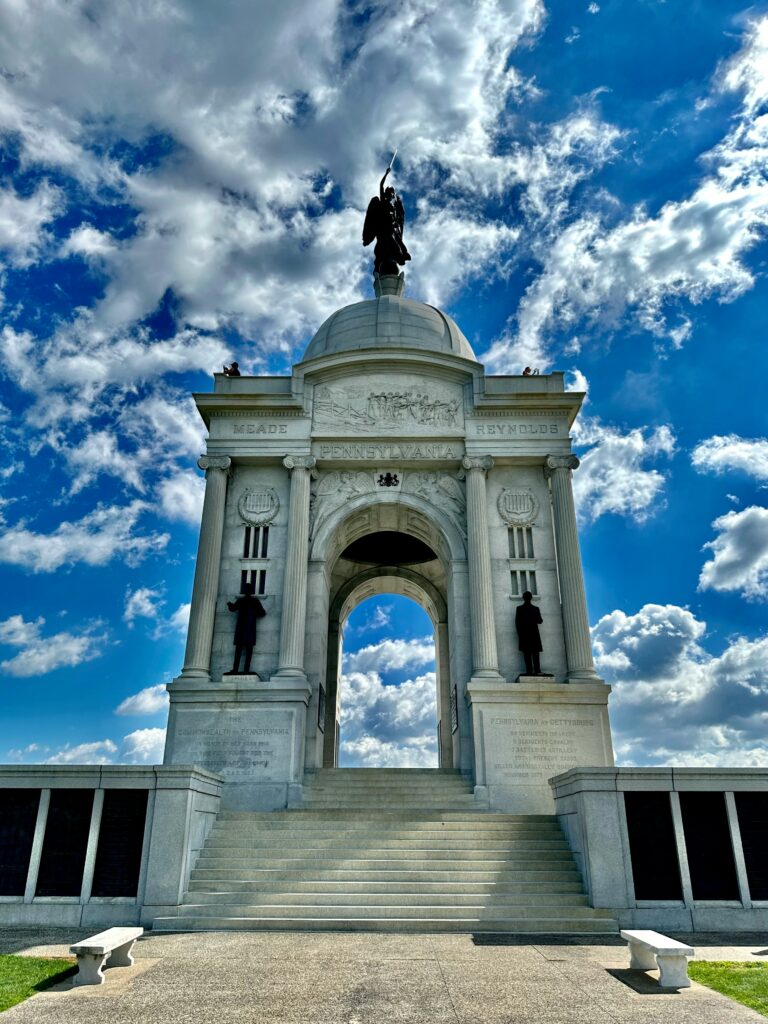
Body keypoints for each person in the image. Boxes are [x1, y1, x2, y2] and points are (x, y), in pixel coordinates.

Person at [362, 160, 411, 276]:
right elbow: (381, 185)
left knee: (397, 244)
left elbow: (399, 217)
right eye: (390, 193)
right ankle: (383, 264)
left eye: (393, 193)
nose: (392, 195)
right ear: (387, 193)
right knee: (390, 246)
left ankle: (400, 255)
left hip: (392, 229)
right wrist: (386, 174)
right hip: (383, 229)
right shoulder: (382, 201)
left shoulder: (394, 206)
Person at [225, 582, 266, 674]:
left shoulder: (243, 601)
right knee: (247, 650)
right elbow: (262, 613)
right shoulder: (252, 601)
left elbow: (233, 608)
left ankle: (237, 669)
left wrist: (229, 605)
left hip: (243, 628)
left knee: (240, 650)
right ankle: (244, 670)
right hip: (248, 628)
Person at [515, 591, 543, 675]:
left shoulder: (521, 608)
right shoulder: (534, 608)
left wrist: (519, 634)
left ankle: (531, 671)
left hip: (526, 634)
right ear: (531, 598)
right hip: (532, 633)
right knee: (533, 653)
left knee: (528, 653)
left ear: (524, 598)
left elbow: (517, 622)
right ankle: (536, 670)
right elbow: (540, 620)